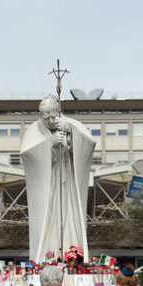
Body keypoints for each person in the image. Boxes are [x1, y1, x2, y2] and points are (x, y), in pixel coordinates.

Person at [20, 95, 96, 262]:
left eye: (52, 115)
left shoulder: (73, 125)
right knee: (48, 220)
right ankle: (47, 257)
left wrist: (71, 133)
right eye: (45, 116)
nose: (49, 120)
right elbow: (27, 154)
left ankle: (72, 254)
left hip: (68, 182)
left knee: (70, 215)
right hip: (47, 184)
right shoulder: (33, 130)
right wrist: (50, 143)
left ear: (58, 111)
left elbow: (89, 145)